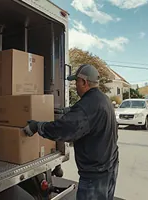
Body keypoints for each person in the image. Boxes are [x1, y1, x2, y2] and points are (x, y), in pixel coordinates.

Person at [23, 64, 119, 200]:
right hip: (109, 167)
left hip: (95, 176)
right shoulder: (103, 99)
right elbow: (87, 118)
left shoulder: (87, 106)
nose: (75, 85)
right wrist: (66, 111)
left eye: (76, 82)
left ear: (84, 82)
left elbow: (63, 130)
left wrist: (37, 126)